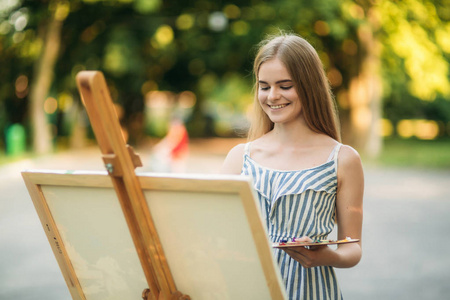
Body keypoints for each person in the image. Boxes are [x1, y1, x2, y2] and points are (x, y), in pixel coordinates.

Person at [221, 32, 364, 300]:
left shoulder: (343, 159)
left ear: (309, 86)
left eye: (285, 86)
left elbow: (353, 247)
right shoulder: (239, 157)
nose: (273, 96)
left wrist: (326, 256)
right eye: (264, 86)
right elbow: (218, 235)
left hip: (312, 292)